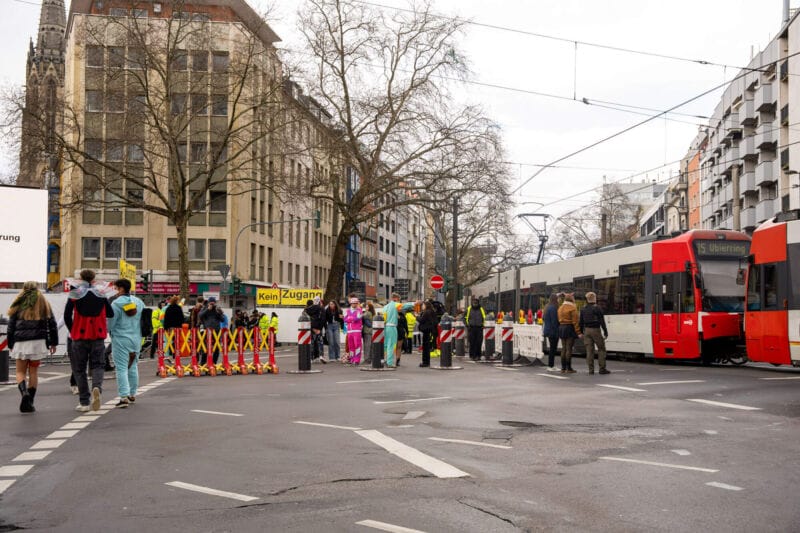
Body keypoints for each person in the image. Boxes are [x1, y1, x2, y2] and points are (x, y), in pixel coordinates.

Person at [65, 269, 114, 412]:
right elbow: (110, 313)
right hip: (97, 336)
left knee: (79, 369)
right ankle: (97, 387)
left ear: (81, 278)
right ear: (93, 279)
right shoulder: (101, 293)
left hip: (79, 336)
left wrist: (72, 330)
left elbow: (67, 315)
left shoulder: (75, 294)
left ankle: (84, 402)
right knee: (98, 365)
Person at [7, 282, 58, 413]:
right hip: (38, 342)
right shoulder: (43, 302)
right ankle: (30, 402)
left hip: (21, 341)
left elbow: (11, 325)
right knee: (33, 372)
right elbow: (52, 323)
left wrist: (11, 342)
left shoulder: (18, 302)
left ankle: (24, 394)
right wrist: (53, 342)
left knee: (20, 372)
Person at [107, 279, 145, 408]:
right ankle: (132, 393)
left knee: (121, 368)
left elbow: (111, 322)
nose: (115, 291)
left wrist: (108, 331)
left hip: (121, 338)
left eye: (116, 288)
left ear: (121, 289)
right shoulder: (138, 302)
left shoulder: (116, 304)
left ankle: (123, 397)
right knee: (133, 365)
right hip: (136, 338)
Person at [580, 292, 610, 375]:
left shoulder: (583, 309)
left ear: (587, 299)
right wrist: (605, 331)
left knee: (589, 350)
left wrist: (581, 332)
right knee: (601, 349)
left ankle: (591, 370)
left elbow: (581, 322)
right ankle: (602, 368)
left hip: (587, 330)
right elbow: (602, 321)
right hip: (596, 330)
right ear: (595, 298)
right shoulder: (597, 308)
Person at [557, 293, 580, 374]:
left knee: (564, 348)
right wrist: (578, 332)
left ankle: (563, 368)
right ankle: (569, 368)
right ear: (571, 299)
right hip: (569, 328)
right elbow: (575, 321)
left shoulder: (560, 308)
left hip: (561, 328)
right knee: (569, 348)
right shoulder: (572, 308)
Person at [198, 297, 224, 365]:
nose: (212, 304)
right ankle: (203, 363)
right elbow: (200, 315)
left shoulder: (217, 309)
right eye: (211, 303)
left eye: (213, 303)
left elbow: (222, 319)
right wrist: (207, 309)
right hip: (207, 330)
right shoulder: (205, 308)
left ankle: (214, 362)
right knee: (205, 347)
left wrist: (217, 312)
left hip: (216, 330)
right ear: (208, 302)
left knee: (216, 347)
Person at [343, 295, 363, 365]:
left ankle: (357, 360)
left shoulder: (359, 310)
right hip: (349, 331)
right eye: (353, 303)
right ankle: (352, 359)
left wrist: (350, 319)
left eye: (356, 303)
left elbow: (357, 318)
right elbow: (345, 319)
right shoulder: (347, 310)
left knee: (357, 345)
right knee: (351, 346)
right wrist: (352, 319)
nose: (354, 304)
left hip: (357, 331)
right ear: (351, 303)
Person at [305, 297, 326, 363]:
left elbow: (306, 319)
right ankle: (321, 356)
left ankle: (311, 358)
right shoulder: (321, 309)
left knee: (312, 343)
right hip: (318, 328)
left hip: (312, 328)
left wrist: (312, 327)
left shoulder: (308, 309)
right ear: (319, 302)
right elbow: (323, 319)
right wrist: (319, 328)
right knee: (320, 342)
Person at [542, 294, 560, 372]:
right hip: (553, 331)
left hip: (548, 330)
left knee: (552, 348)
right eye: (558, 299)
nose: (559, 300)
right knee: (553, 349)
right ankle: (550, 365)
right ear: (555, 299)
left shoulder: (547, 307)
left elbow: (544, 318)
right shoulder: (553, 308)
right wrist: (558, 330)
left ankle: (551, 365)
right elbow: (554, 321)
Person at [417, 300, 437, 367]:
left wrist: (416, 316)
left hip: (426, 331)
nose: (422, 306)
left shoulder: (427, 312)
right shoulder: (432, 311)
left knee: (425, 347)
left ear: (426, 305)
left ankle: (425, 362)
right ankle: (426, 362)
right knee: (427, 346)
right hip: (430, 330)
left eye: (423, 305)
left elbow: (421, 320)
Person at [383, 293, 401, 367]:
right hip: (392, 327)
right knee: (391, 344)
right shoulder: (395, 304)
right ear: (396, 298)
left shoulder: (385, 306)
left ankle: (384, 359)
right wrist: (414, 303)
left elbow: (384, 318)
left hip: (386, 327)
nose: (399, 301)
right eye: (399, 300)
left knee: (386, 345)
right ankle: (389, 362)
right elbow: (405, 306)